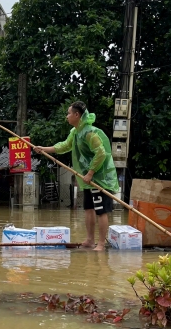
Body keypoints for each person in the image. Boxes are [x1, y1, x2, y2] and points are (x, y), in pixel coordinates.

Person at [34, 101, 120, 251]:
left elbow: (101, 153)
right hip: (87, 179)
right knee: (88, 208)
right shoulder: (75, 132)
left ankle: (101, 243)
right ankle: (90, 240)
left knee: (101, 210)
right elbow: (64, 146)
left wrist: (91, 172)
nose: (66, 116)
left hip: (99, 179)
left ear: (76, 115)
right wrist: (44, 149)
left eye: (68, 113)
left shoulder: (90, 132)